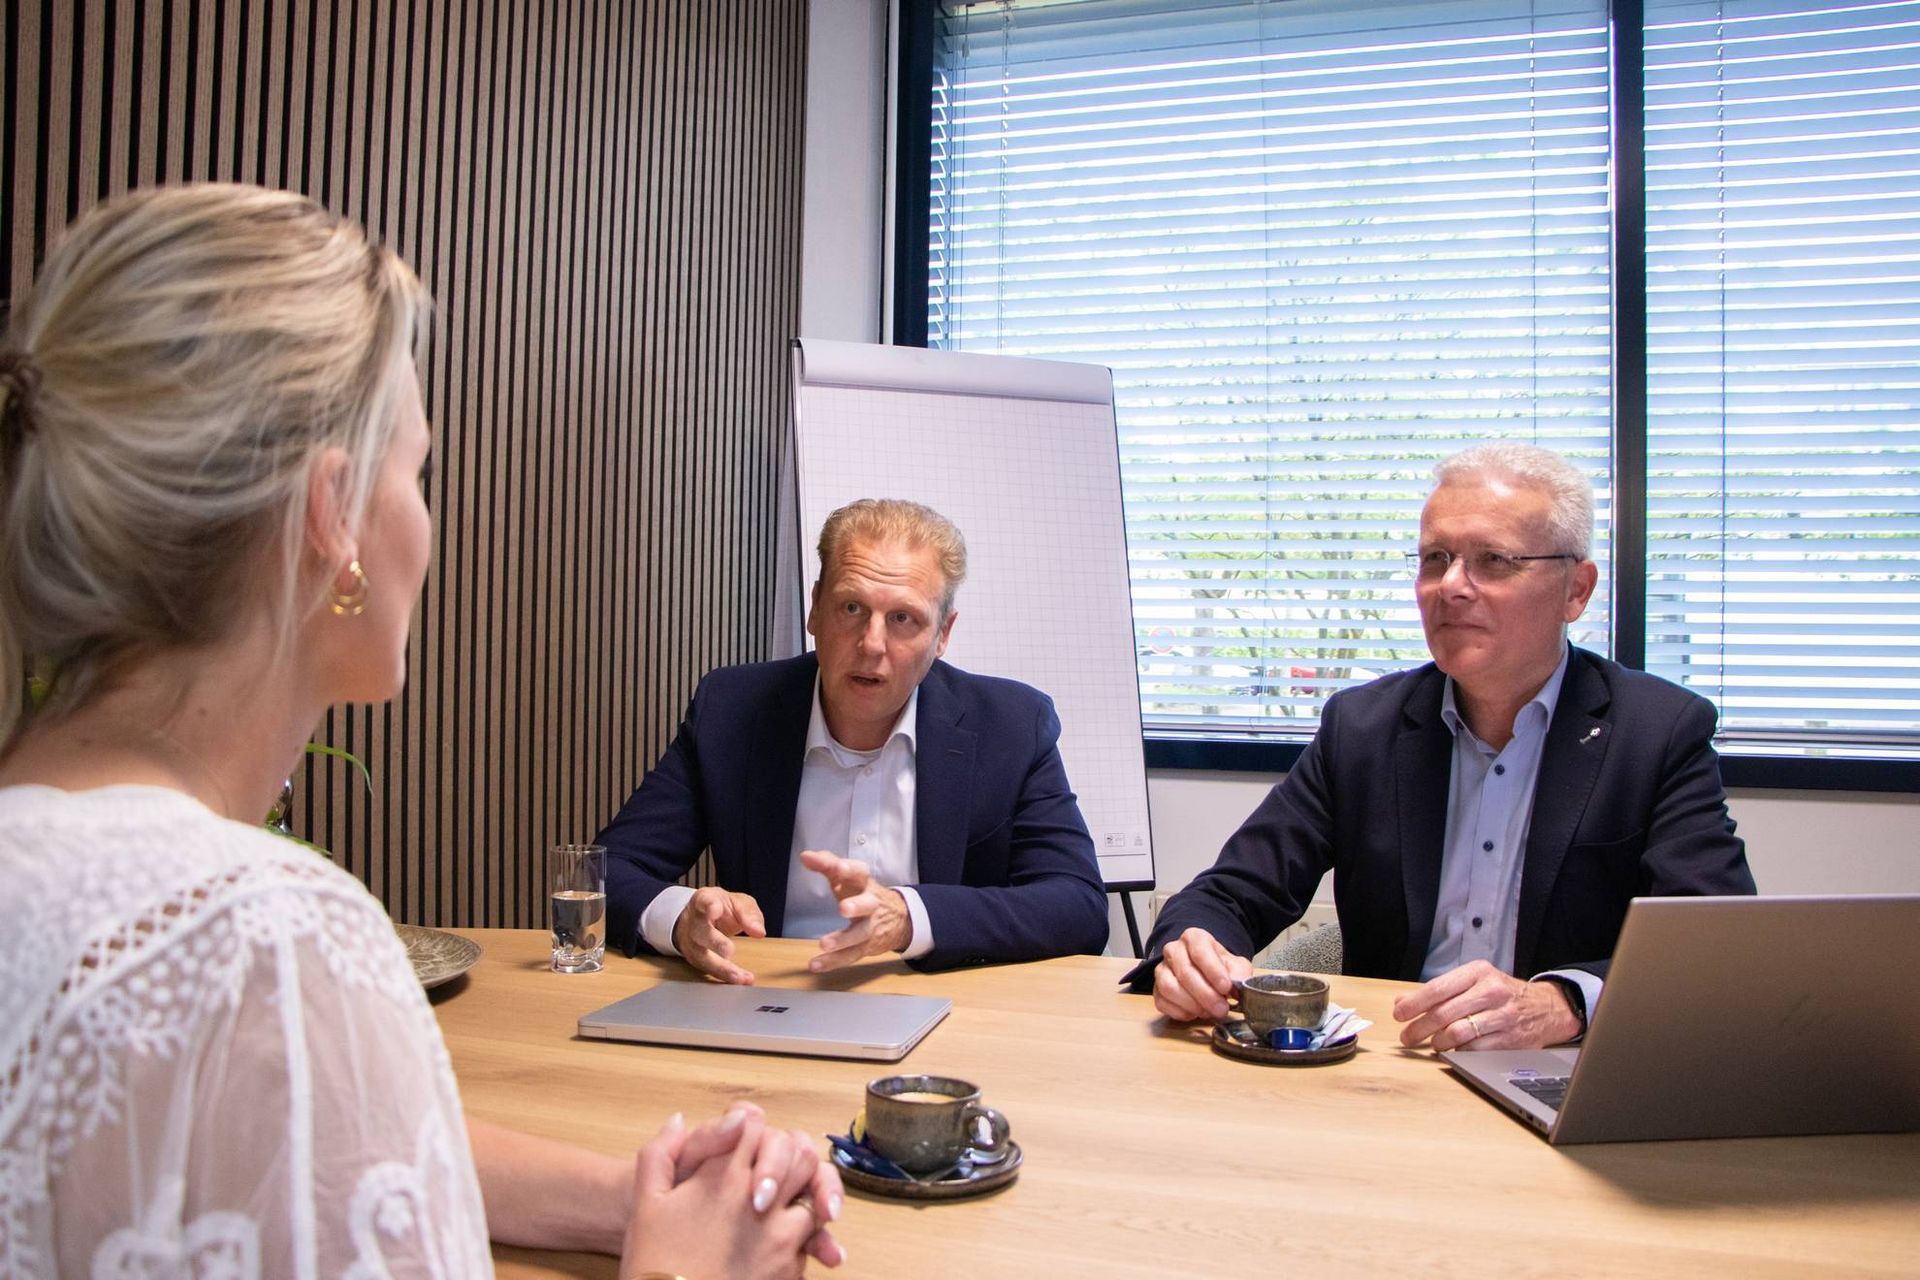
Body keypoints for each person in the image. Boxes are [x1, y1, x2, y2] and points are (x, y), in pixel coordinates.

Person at [0, 183, 842, 1278]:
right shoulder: (266, 936)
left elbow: (323, 1141)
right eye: (420, 470)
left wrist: (637, 1199)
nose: (427, 517)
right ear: (335, 515)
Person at [1131, 443, 1756, 1051]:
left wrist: (1566, 1002)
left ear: (1576, 591)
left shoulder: (1657, 732)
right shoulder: (1363, 728)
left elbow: (1715, 944)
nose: (1450, 585)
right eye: (1436, 558)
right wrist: (1191, 950)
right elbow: (1229, 893)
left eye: (1494, 560)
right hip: (1399, 1061)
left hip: (1560, 1067)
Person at [598, 498, 1109, 982]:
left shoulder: (1010, 725)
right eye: (851, 608)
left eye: (903, 619)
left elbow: (1077, 904)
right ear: (815, 609)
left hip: (944, 1001)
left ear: (943, 634)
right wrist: (679, 919)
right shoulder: (733, 711)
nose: (871, 644)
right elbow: (607, 869)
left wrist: (908, 917)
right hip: (767, 994)